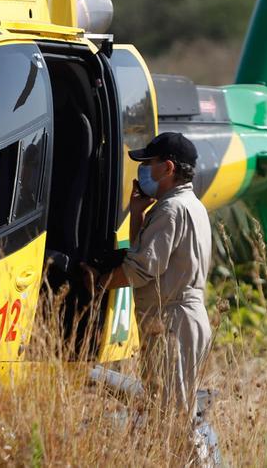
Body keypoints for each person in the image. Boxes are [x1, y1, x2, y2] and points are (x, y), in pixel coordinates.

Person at [97, 131, 212, 418]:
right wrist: (137, 214)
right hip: (182, 319)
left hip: (173, 321)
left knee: (172, 418)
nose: (144, 168)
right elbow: (150, 254)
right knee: (168, 411)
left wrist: (99, 283)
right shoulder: (190, 205)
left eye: (150, 162)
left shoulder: (171, 210)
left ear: (168, 168)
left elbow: (141, 269)